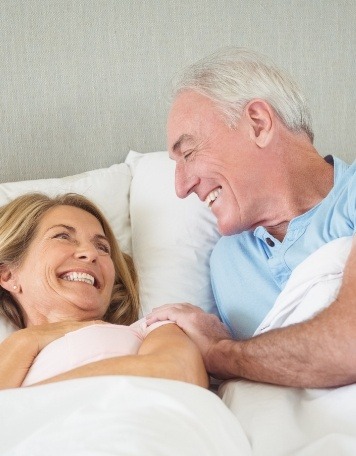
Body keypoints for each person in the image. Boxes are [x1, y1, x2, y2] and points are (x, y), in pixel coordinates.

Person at [146, 47, 356, 389]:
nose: (181, 188)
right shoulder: (228, 263)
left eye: (188, 153)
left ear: (258, 123)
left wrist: (222, 354)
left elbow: (348, 344)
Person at [0, 192, 208, 389]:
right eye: (62, 236)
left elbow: (179, 376)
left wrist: (25, 401)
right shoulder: (14, 348)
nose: (91, 253)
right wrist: (27, 340)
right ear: (8, 275)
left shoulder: (152, 328)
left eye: (102, 248)